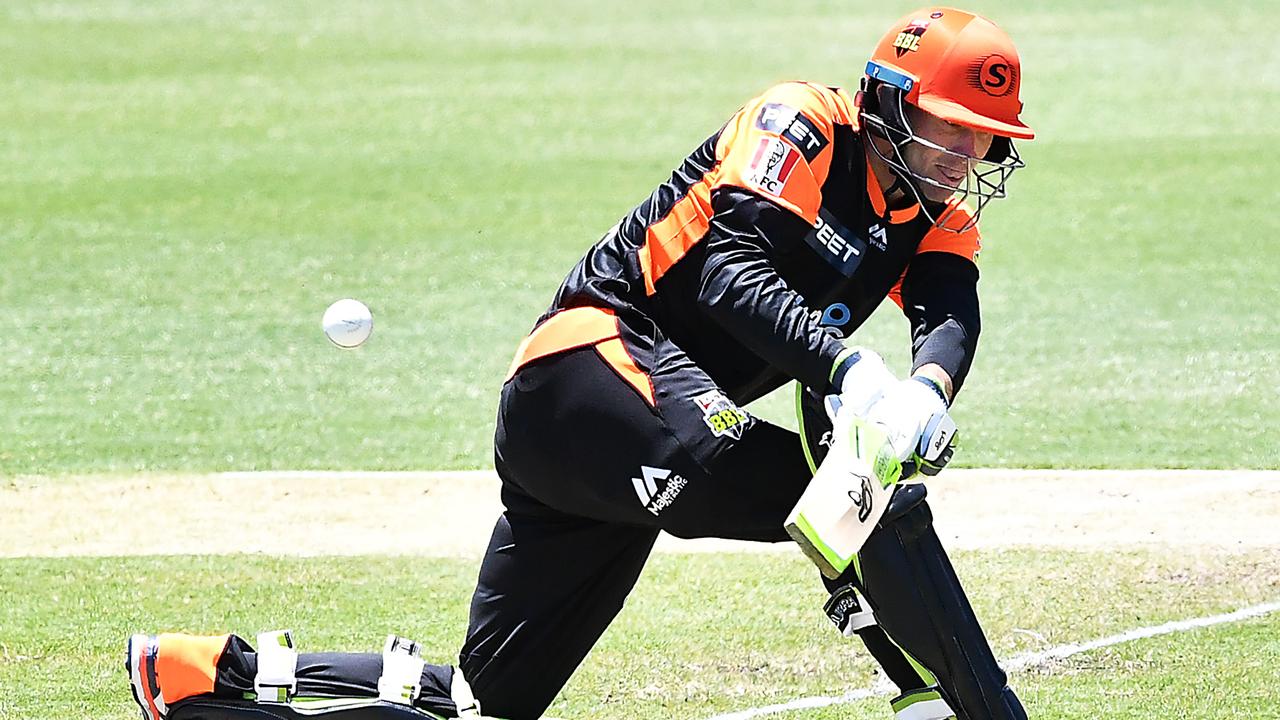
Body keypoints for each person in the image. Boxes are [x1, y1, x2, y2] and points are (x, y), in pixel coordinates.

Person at [126, 8, 1034, 720]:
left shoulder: (931, 210)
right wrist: (854, 373)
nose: (963, 155)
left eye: (982, 138)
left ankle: (210, 675)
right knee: (868, 505)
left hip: (627, 427)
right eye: (945, 126)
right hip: (590, 368)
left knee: (485, 706)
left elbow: (951, 310)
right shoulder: (802, 123)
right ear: (885, 98)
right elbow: (726, 270)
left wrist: (925, 387)